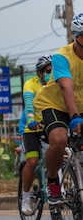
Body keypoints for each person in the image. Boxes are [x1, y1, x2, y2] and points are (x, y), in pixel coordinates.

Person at [34, 13, 83, 206]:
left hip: (79, 105)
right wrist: (75, 116)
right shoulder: (62, 57)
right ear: (78, 37)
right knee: (59, 139)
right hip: (55, 104)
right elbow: (66, 87)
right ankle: (53, 181)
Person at [19, 56, 52, 215]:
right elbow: (28, 102)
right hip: (32, 129)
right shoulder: (30, 84)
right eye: (48, 71)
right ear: (40, 73)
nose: (51, 74)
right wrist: (30, 118)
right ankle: (26, 197)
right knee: (32, 161)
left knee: (61, 155)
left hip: (50, 126)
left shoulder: (56, 83)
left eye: (53, 71)